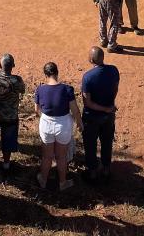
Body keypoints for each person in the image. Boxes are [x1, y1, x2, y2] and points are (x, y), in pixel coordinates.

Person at [35, 61, 82, 192]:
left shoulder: (40, 89)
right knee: (61, 157)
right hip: (63, 125)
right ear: (57, 73)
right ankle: (62, 182)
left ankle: (43, 180)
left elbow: (37, 110)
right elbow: (75, 110)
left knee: (47, 157)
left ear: (45, 75)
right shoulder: (67, 89)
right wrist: (79, 122)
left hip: (46, 124)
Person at [0, 54, 26, 175]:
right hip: (10, 117)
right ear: (13, 66)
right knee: (7, 142)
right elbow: (22, 90)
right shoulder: (17, 80)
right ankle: (6, 164)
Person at [81, 46, 119, 182]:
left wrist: (104, 109)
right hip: (109, 116)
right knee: (107, 142)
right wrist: (109, 106)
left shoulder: (88, 77)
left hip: (92, 117)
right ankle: (106, 170)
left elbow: (88, 103)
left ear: (91, 59)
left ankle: (92, 172)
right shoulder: (114, 70)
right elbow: (116, 88)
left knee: (90, 145)